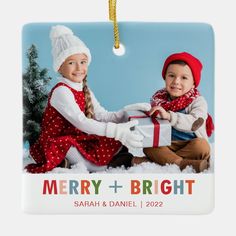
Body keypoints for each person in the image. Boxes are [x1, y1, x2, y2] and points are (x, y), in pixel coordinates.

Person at [25, 25, 151, 173]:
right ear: (59, 67)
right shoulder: (61, 91)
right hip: (59, 141)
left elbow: (102, 115)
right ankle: (67, 161)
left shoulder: (85, 89)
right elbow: (82, 122)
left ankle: (120, 159)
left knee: (111, 142)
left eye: (83, 62)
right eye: (71, 63)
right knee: (92, 165)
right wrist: (116, 131)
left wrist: (126, 112)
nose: (79, 68)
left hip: (79, 136)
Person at [141, 52, 214, 173]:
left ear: (194, 83)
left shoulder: (198, 101)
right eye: (171, 76)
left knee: (202, 146)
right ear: (165, 77)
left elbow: (195, 122)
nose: (176, 81)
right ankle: (182, 163)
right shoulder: (158, 99)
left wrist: (169, 116)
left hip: (189, 144)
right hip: (167, 144)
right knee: (148, 146)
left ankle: (159, 162)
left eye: (184, 78)